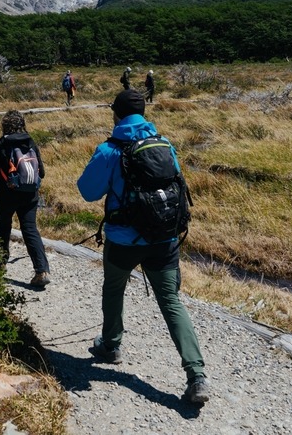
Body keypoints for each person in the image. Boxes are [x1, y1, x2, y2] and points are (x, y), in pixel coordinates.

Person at [77, 89, 211, 404]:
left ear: (116, 114)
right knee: (171, 302)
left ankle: (110, 346)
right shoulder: (164, 144)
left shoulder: (110, 150)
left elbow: (87, 191)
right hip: (164, 240)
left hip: (124, 239)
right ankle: (197, 375)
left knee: (113, 289)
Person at [0, 110, 51, 287]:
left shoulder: (2, 143)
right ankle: (42, 270)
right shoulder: (31, 142)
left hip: (6, 194)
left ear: (4, 126)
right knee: (30, 229)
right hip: (30, 195)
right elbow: (41, 173)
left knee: (3, 228)